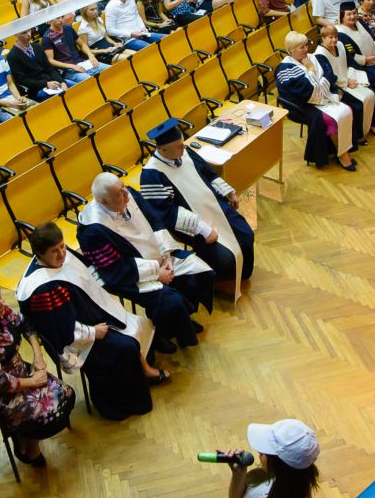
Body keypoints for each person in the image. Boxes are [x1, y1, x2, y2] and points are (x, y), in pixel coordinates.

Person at [18, 223, 165, 420]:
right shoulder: (42, 289)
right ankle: (120, 404)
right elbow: (60, 328)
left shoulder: (62, 257)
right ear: (39, 254)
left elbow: (89, 273)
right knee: (126, 347)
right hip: (77, 341)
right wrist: (93, 332)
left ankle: (142, 373)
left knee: (140, 324)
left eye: (62, 246)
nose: (62, 254)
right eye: (54, 251)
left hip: (92, 316)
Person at [0, 275, 74, 468]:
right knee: (47, 418)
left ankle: (24, 435)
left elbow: (25, 324)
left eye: (0, 297)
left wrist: (38, 355)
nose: (2, 304)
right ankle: (28, 446)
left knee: (67, 394)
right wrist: (34, 381)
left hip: (18, 372)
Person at [80, 171, 212, 337]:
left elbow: (154, 220)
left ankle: (183, 317)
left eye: (123, 187)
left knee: (199, 271)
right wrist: (156, 273)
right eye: (119, 193)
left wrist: (166, 254)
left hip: (158, 255)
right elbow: (115, 268)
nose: (126, 194)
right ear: (104, 202)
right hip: (129, 275)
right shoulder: (92, 231)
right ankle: (164, 332)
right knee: (170, 301)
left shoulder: (129, 194)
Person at [140, 119, 255, 289]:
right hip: (191, 223)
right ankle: (213, 282)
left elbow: (209, 174)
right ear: (163, 150)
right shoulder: (151, 175)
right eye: (179, 146)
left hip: (215, 205)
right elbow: (166, 213)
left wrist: (229, 192)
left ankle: (243, 274)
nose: (184, 147)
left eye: (182, 143)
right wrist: (203, 229)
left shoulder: (184, 152)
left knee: (246, 235)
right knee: (225, 258)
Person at [276, 31, 359, 171]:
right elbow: (306, 91)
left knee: (347, 110)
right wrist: (311, 71)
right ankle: (342, 155)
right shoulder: (285, 69)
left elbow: (329, 75)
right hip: (301, 105)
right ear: (291, 50)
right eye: (301, 47)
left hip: (321, 98)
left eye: (306, 45)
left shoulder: (311, 58)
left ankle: (341, 149)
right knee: (331, 120)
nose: (306, 49)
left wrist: (318, 85)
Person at [314, 23, 375, 140]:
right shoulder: (320, 54)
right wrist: (346, 82)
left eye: (336, 36)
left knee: (372, 93)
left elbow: (350, 61)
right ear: (323, 38)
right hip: (335, 87)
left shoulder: (339, 45)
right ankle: (358, 136)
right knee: (358, 104)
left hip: (347, 77)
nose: (334, 40)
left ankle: (372, 125)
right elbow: (329, 77)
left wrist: (353, 76)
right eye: (330, 37)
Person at [6, 29, 66, 101]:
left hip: (52, 82)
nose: (29, 34)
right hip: (36, 89)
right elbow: (23, 80)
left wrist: (62, 81)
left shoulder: (37, 47)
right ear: (16, 35)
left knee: (71, 85)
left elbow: (49, 69)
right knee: (61, 96)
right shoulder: (12, 56)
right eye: (24, 32)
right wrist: (46, 84)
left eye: (29, 31)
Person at [43, 13, 106, 82]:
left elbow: (82, 44)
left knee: (108, 69)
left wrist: (90, 55)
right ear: (50, 20)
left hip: (81, 62)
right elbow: (51, 60)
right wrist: (72, 66)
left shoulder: (68, 28)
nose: (61, 20)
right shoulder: (48, 37)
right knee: (90, 80)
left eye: (61, 17)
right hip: (67, 69)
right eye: (57, 18)